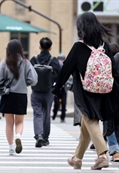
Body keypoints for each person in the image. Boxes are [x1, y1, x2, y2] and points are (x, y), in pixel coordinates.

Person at [52, 12, 116, 170]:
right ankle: (76, 159)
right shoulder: (105, 45)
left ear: (81, 28)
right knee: (85, 127)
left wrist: (55, 88)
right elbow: (113, 69)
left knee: (90, 119)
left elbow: (66, 69)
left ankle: (102, 155)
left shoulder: (79, 47)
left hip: (84, 91)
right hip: (103, 90)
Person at [0, 39, 38, 155]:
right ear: (20, 49)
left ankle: (11, 147)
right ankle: (18, 136)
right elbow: (33, 80)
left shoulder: (5, 62)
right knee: (19, 122)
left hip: (7, 95)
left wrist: (5, 82)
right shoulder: (26, 62)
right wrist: (24, 83)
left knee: (9, 123)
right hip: (21, 95)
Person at [30, 37, 61, 148]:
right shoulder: (54, 60)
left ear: (39, 47)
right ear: (50, 47)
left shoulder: (33, 60)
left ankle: (38, 135)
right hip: (49, 92)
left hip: (36, 91)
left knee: (37, 113)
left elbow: (29, 74)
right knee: (46, 114)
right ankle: (45, 138)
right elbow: (59, 75)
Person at [52, 55, 67, 123]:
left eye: (62, 59)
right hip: (57, 88)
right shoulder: (56, 68)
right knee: (56, 103)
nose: (61, 60)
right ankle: (54, 114)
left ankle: (62, 117)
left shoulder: (66, 67)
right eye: (60, 59)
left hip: (64, 89)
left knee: (63, 104)